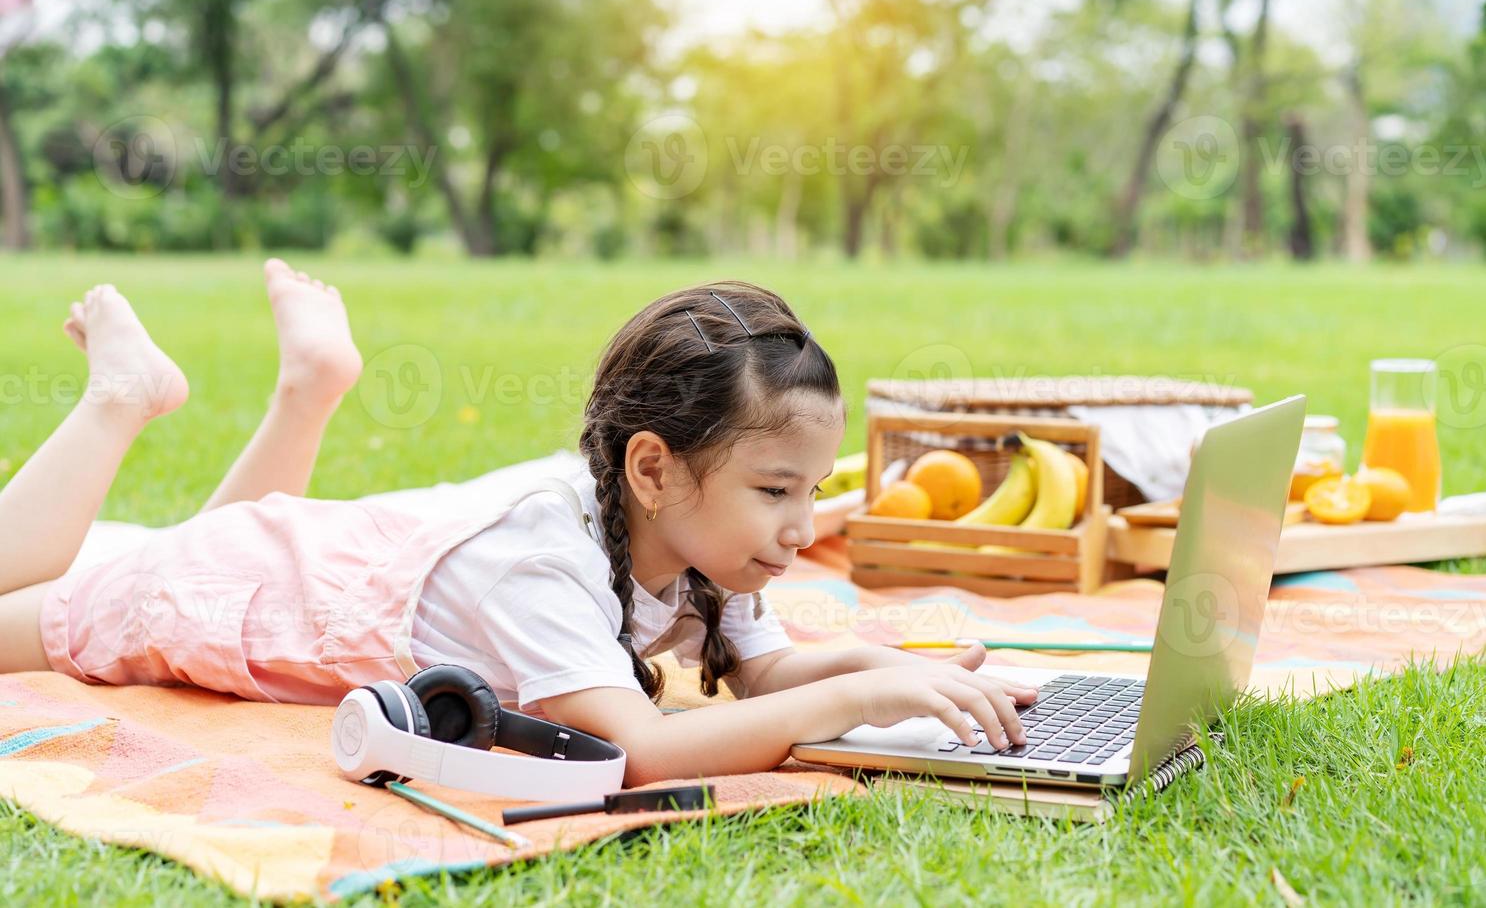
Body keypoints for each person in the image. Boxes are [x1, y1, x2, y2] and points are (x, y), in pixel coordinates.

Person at [0, 270, 1035, 785]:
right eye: (776, 491)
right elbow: (637, 754)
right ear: (653, 466)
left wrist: (919, 678)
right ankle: (121, 396)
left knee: (209, 540)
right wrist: (861, 689)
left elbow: (765, 678)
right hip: (236, 593)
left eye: (810, 490)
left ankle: (307, 386)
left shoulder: (699, 537)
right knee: (140, 570)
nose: (803, 524)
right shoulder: (542, 561)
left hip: (288, 555)